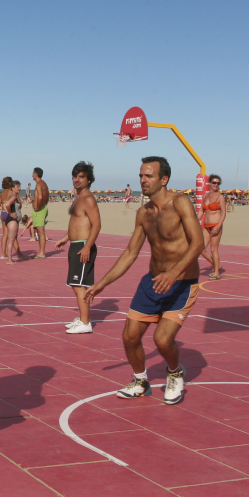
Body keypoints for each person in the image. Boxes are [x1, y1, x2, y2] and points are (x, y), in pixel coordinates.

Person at [83, 157, 204, 406]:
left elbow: (198, 243)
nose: (143, 180)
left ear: (164, 179)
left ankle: (175, 372)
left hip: (181, 284)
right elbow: (130, 253)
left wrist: (174, 273)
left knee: (162, 340)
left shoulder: (181, 202)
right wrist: (102, 283)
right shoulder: (143, 213)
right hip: (152, 283)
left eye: (148, 176)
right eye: (141, 175)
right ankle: (140, 382)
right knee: (130, 337)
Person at [55, 161, 101, 334]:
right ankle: (83, 318)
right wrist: (66, 238)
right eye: (75, 176)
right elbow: (79, 224)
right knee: (79, 284)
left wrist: (88, 247)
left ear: (89, 180)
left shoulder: (88, 199)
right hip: (76, 245)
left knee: (78, 285)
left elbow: (96, 225)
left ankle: (85, 322)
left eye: (81, 177)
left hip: (83, 246)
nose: (77, 180)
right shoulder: (78, 198)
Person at [199, 174, 226, 279]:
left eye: (218, 183)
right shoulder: (206, 196)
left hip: (215, 225)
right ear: (209, 183)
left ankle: (216, 273)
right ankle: (217, 266)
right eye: (214, 182)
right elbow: (201, 211)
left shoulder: (220, 197)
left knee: (214, 250)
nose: (216, 185)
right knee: (201, 249)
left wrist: (218, 226)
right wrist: (194, 221)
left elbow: (223, 213)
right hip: (206, 226)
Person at [1, 180, 24, 264]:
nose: (19, 188)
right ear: (13, 188)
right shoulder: (14, 196)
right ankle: (9, 260)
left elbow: (4, 205)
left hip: (12, 220)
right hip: (12, 221)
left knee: (12, 239)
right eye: (17, 187)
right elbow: (6, 205)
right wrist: (10, 213)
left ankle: (9, 259)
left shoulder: (14, 195)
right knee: (11, 240)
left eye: (20, 186)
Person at [31, 167, 49, 258]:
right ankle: (41, 252)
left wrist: (37, 206)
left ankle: (42, 253)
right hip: (43, 208)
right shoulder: (44, 184)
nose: (31, 175)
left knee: (41, 232)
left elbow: (41, 197)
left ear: (36, 174)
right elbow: (47, 197)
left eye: (32, 173)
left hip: (40, 209)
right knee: (40, 231)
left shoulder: (39, 184)